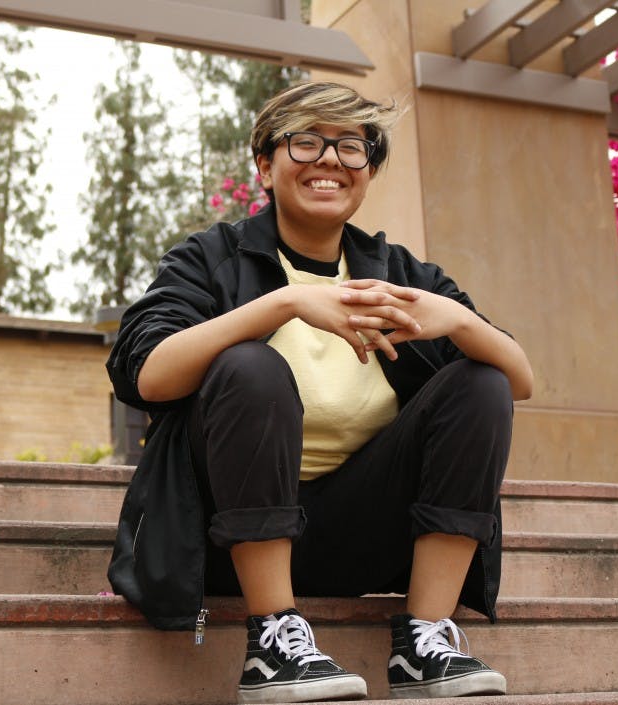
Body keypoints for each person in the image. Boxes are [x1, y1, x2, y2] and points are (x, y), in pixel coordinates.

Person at [106, 81, 533, 703]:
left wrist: (463, 324)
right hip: (225, 541)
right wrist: (284, 303)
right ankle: (274, 638)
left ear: (368, 170)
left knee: (480, 379)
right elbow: (145, 374)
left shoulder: (400, 276)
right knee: (250, 366)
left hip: (360, 538)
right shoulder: (211, 259)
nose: (330, 160)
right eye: (306, 142)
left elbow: (519, 383)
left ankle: (425, 640)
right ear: (265, 164)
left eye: (351, 148)